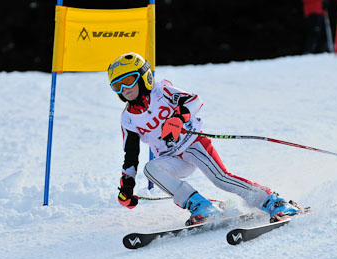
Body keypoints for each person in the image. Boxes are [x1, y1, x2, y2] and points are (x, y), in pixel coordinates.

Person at [109, 52, 301, 224]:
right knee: (150, 169)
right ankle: (201, 206)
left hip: (193, 144)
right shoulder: (128, 119)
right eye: (117, 86)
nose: (124, 89)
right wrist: (127, 186)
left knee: (220, 179)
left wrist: (178, 118)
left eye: (129, 80)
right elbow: (131, 155)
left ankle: (273, 201)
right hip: (172, 159)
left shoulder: (162, 92)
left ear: (144, 77)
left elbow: (195, 100)